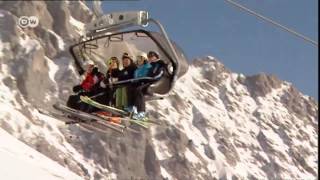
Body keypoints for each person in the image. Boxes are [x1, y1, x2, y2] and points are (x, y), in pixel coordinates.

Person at [131, 51, 166, 120]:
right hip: (148, 81)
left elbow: (159, 74)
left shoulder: (159, 64)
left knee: (139, 90)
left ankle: (141, 113)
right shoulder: (152, 65)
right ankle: (134, 110)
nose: (150, 58)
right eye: (149, 56)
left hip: (154, 83)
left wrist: (151, 78)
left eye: (152, 56)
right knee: (134, 89)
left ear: (156, 56)